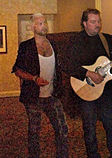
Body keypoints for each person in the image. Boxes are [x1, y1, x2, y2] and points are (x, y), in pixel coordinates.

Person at [61, 8, 112, 158]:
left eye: (99, 21)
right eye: (93, 22)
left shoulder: (108, 39)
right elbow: (66, 64)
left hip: (107, 93)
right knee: (90, 130)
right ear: (84, 23)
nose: (97, 25)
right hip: (86, 92)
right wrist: (88, 74)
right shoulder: (75, 40)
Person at [11, 13, 69, 158]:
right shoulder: (26, 46)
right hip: (33, 96)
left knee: (62, 128)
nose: (44, 26)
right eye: (40, 23)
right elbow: (17, 70)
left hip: (52, 95)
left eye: (45, 22)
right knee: (34, 131)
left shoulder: (53, 44)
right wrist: (34, 78)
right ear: (33, 27)